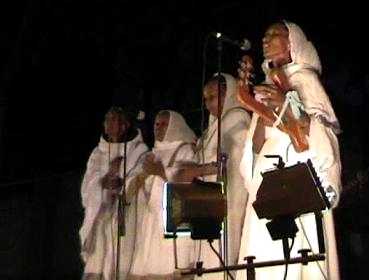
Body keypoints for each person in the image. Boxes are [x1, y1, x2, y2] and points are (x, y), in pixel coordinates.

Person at [236, 20, 342, 280]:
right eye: (264, 34)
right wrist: (261, 114)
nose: (265, 39)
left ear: (292, 41)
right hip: (267, 180)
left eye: (274, 34)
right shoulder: (265, 86)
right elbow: (256, 144)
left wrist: (286, 104)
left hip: (299, 176)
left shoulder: (305, 79)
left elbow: (321, 133)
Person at [176, 73, 250, 278]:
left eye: (213, 97)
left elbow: (233, 161)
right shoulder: (213, 128)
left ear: (228, 94)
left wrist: (198, 170)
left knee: (223, 260)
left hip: (228, 201)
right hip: (207, 203)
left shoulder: (237, 117)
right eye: (206, 99)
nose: (208, 103)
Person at [79, 107, 149, 280]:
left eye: (113, 120)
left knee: (120, 259)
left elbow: (140, 177)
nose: (108, 124)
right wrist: (103, 182)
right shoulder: (98, 153)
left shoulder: (139, 150)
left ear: (124, 125)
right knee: (98, 260)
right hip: (101, 216)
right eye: (106, 120)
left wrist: (121, 183)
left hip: (126, 217)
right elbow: (88, 184)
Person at [127, 110, 197, 279]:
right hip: (151, 227)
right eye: (156, 124)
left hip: (174, 225)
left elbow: (190, 184)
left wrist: (160, 171)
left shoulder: (186, 150)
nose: (158, 128)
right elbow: (130, 190)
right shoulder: (152, 154)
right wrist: (140, 178)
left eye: (164, 124)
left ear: (175, 125)